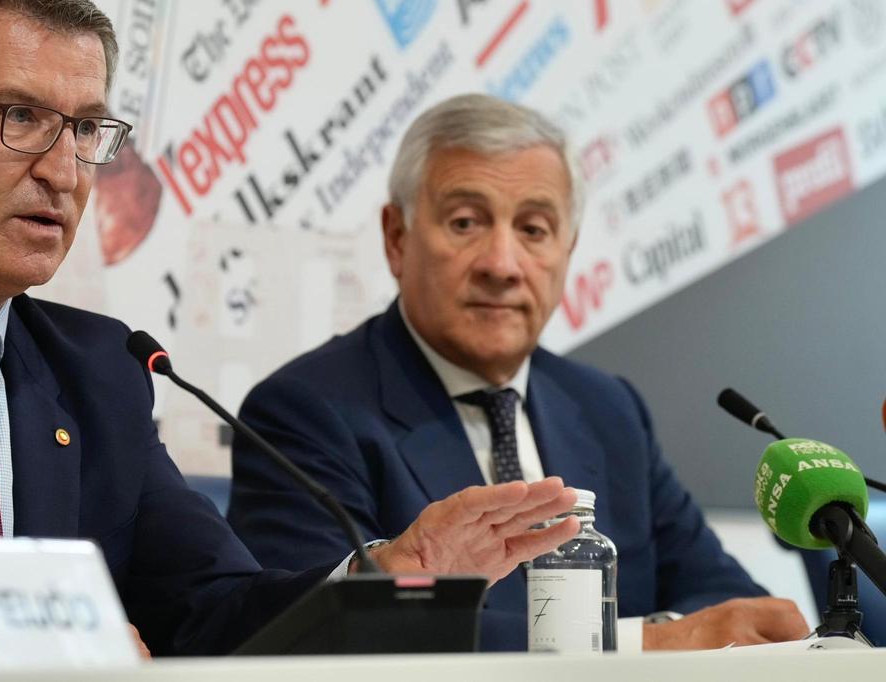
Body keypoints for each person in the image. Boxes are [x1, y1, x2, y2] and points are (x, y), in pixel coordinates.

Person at [0, 0, 581, 662]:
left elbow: (215, 610)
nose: (65, 170)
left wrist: (387, 576)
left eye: (84, 129)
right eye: (19, 117)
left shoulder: (99, 372)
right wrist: (48, 649)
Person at [227, 93, 811, 651]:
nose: (502, 265)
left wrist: (668, 641)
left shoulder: (609, 408)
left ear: (567, 249)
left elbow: (726, 599)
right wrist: (649, 643)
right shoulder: (304, 412)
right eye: (465, 222)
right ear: (397, 238)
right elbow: (323, 639)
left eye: (533, 229)